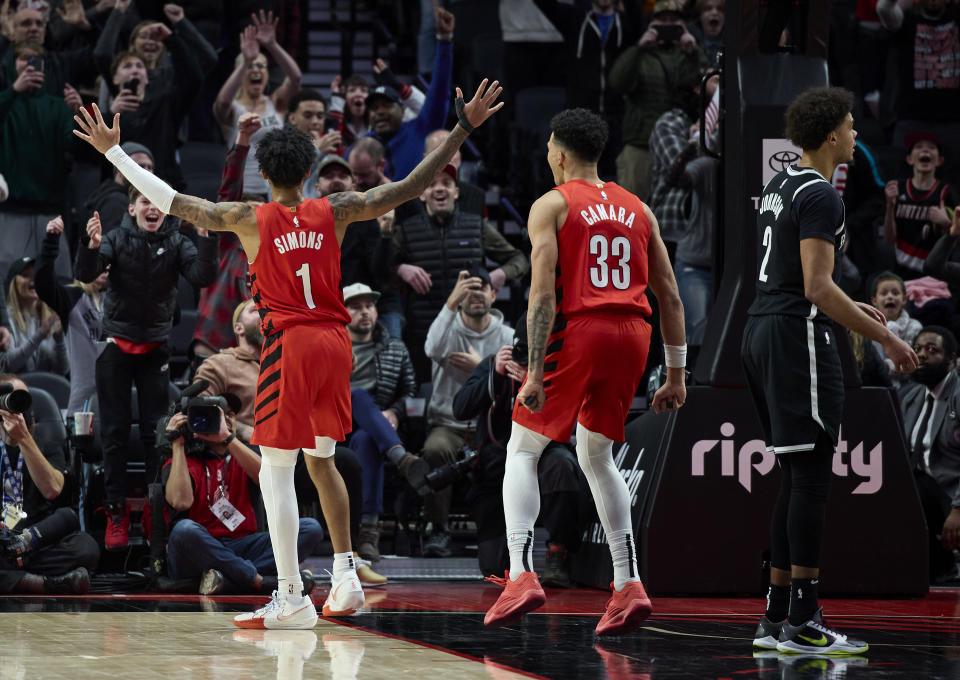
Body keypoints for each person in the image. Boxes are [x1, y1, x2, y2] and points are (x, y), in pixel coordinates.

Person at [72, 76, 503, 628]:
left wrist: (114, 153)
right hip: (336, 343)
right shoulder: (337, 208)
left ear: (265, 175)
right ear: (307, 172)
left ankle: (293, 594)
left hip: (291, 345)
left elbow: (173, 202)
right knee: (322, 461)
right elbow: (411, 185)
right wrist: (462, 128)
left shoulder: (250, 218)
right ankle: (346, 571)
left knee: (276, 471)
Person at [483, 107, 686, 637]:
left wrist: (532, 371)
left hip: (582, 330)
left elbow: (542, 292)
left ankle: (521, 573)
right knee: (598, 456)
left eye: (549, 148)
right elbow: (669, 295)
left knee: (523, 448)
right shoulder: (639, 208)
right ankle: (628, 582)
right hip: (634, 336)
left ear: (561, 153)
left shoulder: (551, 204)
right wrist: (676, 373)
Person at [741, 87, 918, 655]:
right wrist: (886, 334)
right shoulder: (821, 195)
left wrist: (854, 305)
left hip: (762, 327)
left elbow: (800, 276)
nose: (856, 134)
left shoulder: (778, 185)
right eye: (850, 126)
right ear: (831, 136)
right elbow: (815, 286)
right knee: (812, 480)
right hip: (798, 336)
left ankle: (776, 617)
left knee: (794, 477)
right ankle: (805, 619)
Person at [193, 298, 387, 587]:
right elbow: (199, 408)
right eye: (251, 310)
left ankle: (349, 556)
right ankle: (276, 578)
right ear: (238, 327)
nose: (260, 311)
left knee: (343, 460)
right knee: (267, 455)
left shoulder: (291, 352)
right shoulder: (221, 363)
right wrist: (243, 432)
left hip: (296, 441)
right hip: (245, 449)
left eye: (261, 307)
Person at [74, 189, 218, 550]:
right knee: (115, 434)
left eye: (157, 203)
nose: (151, 208)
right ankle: (116, 513)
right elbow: (85, 273)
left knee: (159, 435)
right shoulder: (116, 238)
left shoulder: (175, 241)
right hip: (117, 346)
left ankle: (158, 513)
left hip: (155, 348)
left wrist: (206, 239)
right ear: (132, 208)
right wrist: (90, 246)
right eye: (144, 202)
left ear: (165, 209)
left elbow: (202, 276)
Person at [452, 317, 587, 584]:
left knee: (562, 464)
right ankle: (514, 558)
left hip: (544, 457)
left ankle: (558, 551)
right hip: (496, 468)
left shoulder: (557, 369)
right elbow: (460, 408)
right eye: (522, 350)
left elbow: (574, 415)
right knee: (492, 567)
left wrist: (536, 382)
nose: (526, 357)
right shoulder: (493, 365)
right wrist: (495, 376)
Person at [161, 403, 324, 595]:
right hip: (202, 549)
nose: (226, 420)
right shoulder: (186, 461)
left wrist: (228, 438)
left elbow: (272, 481)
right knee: (184, 530)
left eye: (229, 415)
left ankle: (227, 580)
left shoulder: (242, 455)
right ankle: (255, 580)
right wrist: (177, 444)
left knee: (309, 528)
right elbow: (180, 502)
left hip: (243, 544)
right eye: (217, 416)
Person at [392, 164, 529, 382]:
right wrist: (400, 269)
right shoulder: (406, 230)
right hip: (421, 329)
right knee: (425, 396)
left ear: (456, 192)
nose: (439, 189)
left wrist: (500, 274)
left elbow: (519, 259)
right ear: (422, 194)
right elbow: (379, 268)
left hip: (467, 333)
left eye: (446, 183)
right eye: (432, 184)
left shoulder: (476, 226)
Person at [421, 267, 515, 557]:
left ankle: (508, 533)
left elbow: (515, 378)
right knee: (436, 449)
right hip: (448, 424)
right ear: (459, 298)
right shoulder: (446, 331)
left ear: (494, 294)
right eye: (468, 290)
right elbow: (430, 348)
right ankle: (438, 529)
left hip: (492, 427)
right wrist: (451, 301)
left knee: (515, 457)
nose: (475, 294)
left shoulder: (508, 335)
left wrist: (483, 366)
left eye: (482, 288)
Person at [342, 282, 424, 562]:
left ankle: (368, 532)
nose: (364, 312)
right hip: (336, 424)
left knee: (368, 439)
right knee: (358, 395)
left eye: (369, 306)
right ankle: (401, 457)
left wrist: (396, 413)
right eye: (355, 306)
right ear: (342, 312)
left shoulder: (395, 348)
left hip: (374, 428)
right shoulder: (333, 345)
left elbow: (412, 393)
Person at [0, 374, 99, 594]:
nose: (18, 409)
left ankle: (15, 576)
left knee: (85, 547)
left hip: (36, 541)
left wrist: (24, 439)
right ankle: (45, 583)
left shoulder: (47, 447)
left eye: (22, 400)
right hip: (3, 540)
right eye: (10, 400)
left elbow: (53, 489)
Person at [0, 40, 82, 281]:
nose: (31, 65)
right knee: (7, 282)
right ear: (12, 64)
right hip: (10, 210)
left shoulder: (58, 106)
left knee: (57, 281)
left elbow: (76, 147)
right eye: (24, 59)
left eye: (37, 61)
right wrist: (14, 90)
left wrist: (79, 115)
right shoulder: (5, 101)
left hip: (50, 210)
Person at [608, 0, 707, 200]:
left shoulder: (689, 54)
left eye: (674, 22)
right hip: (640, 146)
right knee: (632, 213)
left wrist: (694, 50)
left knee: (671, 212)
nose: (668, 26)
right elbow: (617, 83)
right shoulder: (640, 55)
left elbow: (709, 86)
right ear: (652, 24)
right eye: (663, 22)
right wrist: (639, 48)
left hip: (678, 146)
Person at [532, 0, 636, 178]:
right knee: (579, 176)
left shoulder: (627, 23)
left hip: (616, 114)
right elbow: (546, 5)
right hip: (581, 115)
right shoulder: (575, 18)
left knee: (614, 177)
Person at [214, 11, 302, 197]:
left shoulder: (276, 103)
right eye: (250, 67)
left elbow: (295, 79)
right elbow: (221, 103)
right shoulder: (233, 108)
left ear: (267, 74)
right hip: (240, 193)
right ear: (241, 73)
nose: (256, 69)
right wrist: (246, 60)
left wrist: (272, 45)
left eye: (261, 66)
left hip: (273, 193)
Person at [897, 325, 960, 582]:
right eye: (918, 348)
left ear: (952, 360)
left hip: (951, 493)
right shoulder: (910, 396)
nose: (921, 354)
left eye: (932, 350)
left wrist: (959, 509)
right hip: (925, 494)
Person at [34, 215, 107, 416]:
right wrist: (50, 242)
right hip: (83, 404)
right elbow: (43, 285)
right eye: (98, 259)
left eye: (107, 261)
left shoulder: (123, 297)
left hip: (120, 400)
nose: (105, 268)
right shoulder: (73, 296)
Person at [881, 132, 957, 280]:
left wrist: (946, 223)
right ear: (909, 159)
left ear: (940, 160)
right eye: (919, 147)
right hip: (902, 276)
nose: (925, 151)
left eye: (931, 147)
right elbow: (889, 240)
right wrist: (889, 206)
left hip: (935, 279)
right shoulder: (898, 189)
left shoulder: (947, 193)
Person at [3, 256, 67, 376]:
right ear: (13, 283)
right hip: (16, 389)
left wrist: (60, 340)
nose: (33, 279)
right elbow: (8, 365)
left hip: (50, 388)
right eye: (26, 275)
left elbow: (62, 370)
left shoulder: (52, 317)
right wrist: (40, 334)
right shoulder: (6, 319)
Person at [869, 271, 922, 381]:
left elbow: (913, 363)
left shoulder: (914, 327)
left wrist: (886, 366)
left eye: (895, 293)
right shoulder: (868, 326)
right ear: (874, 300)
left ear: (904, 299)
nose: (890, 297)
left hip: (906, 385)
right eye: (884, 293)